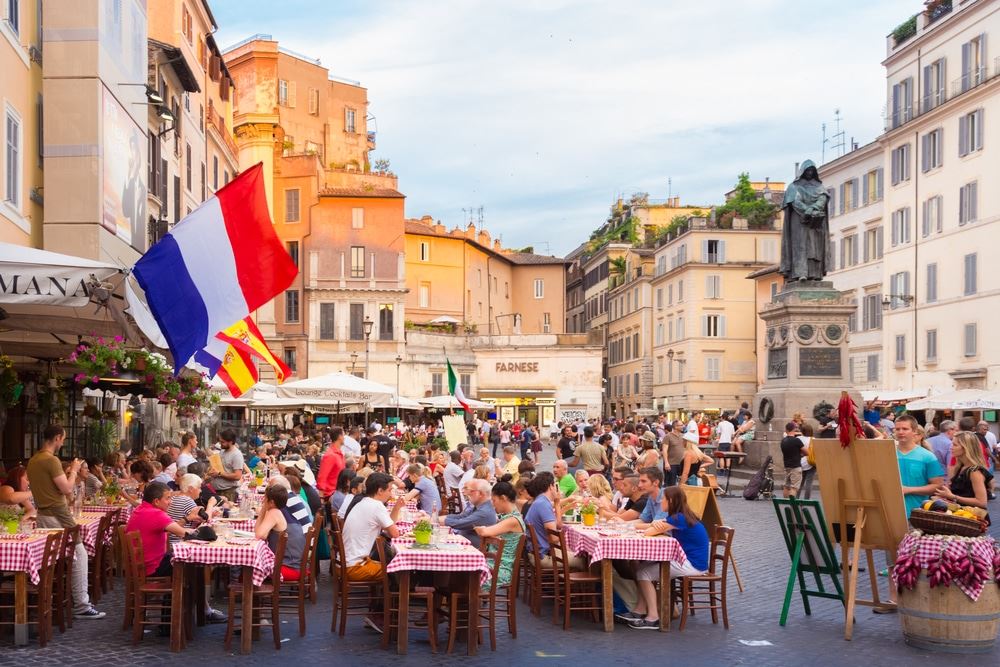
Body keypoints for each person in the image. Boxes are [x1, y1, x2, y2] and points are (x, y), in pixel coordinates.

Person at [27, 425, 105, 619]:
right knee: (80, 554)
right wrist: (74, 471)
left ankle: (54, 601)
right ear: (57, 438)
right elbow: (67, 488)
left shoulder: (33, 460)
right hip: (59, 513)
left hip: (43, 513)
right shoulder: (51, 460)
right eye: (63, 439)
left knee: (53, 559)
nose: (63, 442)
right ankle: (81, 605)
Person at [620, 486, 710, 630]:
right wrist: (652, 525)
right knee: (642, 567)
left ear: (671, 501)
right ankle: (640, 610)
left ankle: (653, 618)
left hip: (692, 564)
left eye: (664, 498)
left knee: (643, 573)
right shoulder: (680, 516)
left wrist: (654, 525)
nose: (661, 501)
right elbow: (652, 527)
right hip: (690, 560)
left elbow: (649, 532)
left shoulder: (678, 518)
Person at [341, 473, 404, 631]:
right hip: (356, 566)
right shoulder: (376, 506)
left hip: (350, 561)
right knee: (398, 573)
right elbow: (394, 533)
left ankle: (380, 613)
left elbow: (388, 528)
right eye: (389, 490)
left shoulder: (364, 502)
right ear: (380, 491)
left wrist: (396, 507)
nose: (391, 493)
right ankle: (380, 616)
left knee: (392, 567)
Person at [125, 482, 193, 578]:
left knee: (179, 555)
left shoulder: (141, 508)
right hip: (152, 568)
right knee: (191, 562)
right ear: (156, 501)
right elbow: (184, 533)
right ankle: (189, 588)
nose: (170, 502)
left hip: (141, 566)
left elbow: (174, 529)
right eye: (168, 498)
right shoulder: (156, 514)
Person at [523, 472, 584, 570]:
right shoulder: (543, 504)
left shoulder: (540, 501)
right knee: (586, 560)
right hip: (543, 557)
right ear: (551, 486)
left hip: (539, 553)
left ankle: (568, 578)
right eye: (556, 485)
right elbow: (554, 538)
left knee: (574, 552)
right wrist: (565, 546)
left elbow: (558, 525)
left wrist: (557, 503)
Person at [473, 478, 525, 590]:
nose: (492, 504)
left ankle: (463, 598)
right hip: (494, 564)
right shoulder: (509, 517)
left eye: (494, 500)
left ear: (503, 498)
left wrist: (479, 528)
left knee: (465, 572)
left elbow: (484, 532)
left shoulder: (513, 520)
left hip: (500, 569)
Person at [934, 431, 992, 524]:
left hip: (972, 520)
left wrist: (952, 496)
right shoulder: (961, 467)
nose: (951, 447)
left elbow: (982, 502)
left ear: (966, 448)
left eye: (955, 445)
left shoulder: (974, 471)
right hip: (962, 518)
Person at [255, 484, 307, 581]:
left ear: (271, 502)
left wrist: (263, 509)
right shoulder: (282, 511)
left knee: (251, 568)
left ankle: (237, 584)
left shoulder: (274, 512)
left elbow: (258, 535)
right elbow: (263, 535)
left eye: (265, 498)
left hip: (289, 568)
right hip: (296, 565)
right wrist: (264, 508)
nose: (263, 500)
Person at [895, 414, 945, 517]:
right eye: (897, 429)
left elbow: (938, 486)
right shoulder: (887, 454)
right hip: (889, 513)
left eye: (905, 429)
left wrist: (909, 490)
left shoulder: (928, 456)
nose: (900, 432)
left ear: (914, 431)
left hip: (917, 514)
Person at [440, 479, 497, 547]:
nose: (467, 493)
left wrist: (436, 520)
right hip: (464, 546)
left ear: (480, 494)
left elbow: (460, 524)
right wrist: (437, 518)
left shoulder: (484, 512)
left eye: (471, 491)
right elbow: (460, 516)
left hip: (472, 550)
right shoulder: (480, 507)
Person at [208, 429, 244, 502]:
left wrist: (219, 473)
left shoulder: (236, 455)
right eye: (220, 441)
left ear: (230, 442)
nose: (220, 444)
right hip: (216, 490)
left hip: (227, 492)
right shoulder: (222, 451)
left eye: (223, 442)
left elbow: (237, 476)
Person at [316, 427, 347, 500]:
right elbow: (322, 477)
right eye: (343, 435)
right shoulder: (330, 455)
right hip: (330, 495)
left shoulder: (338, 453)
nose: (344, 438)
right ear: (339, 437)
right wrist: (321, 497)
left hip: (338, 492)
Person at [780, 421, 807, 498]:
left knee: (786, 486)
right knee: (794, 487)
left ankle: (785, 502)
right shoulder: (796, 440)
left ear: (786, 430)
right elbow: (807, 452)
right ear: (794, 429)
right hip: (795, 466)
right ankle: (792, 503)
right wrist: (801, 454)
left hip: (787, 466)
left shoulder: (783, 441)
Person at [662, 420, 686, 486]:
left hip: (681, 463)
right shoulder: (668, 436)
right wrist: (666, 463)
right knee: (670, 484)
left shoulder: (683, 436)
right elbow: (664, 450)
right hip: (671, 464)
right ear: (675, 427)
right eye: (681, 425)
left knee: (682, 484)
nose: (683, 426)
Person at [798, 423, 817, 499]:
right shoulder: (813, 439)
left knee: (799, 483)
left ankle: (796, 499)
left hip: (800, 462)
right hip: (811, 462)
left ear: (802, 431)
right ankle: (806, 500)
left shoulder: (798, 438)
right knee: (809, 483)